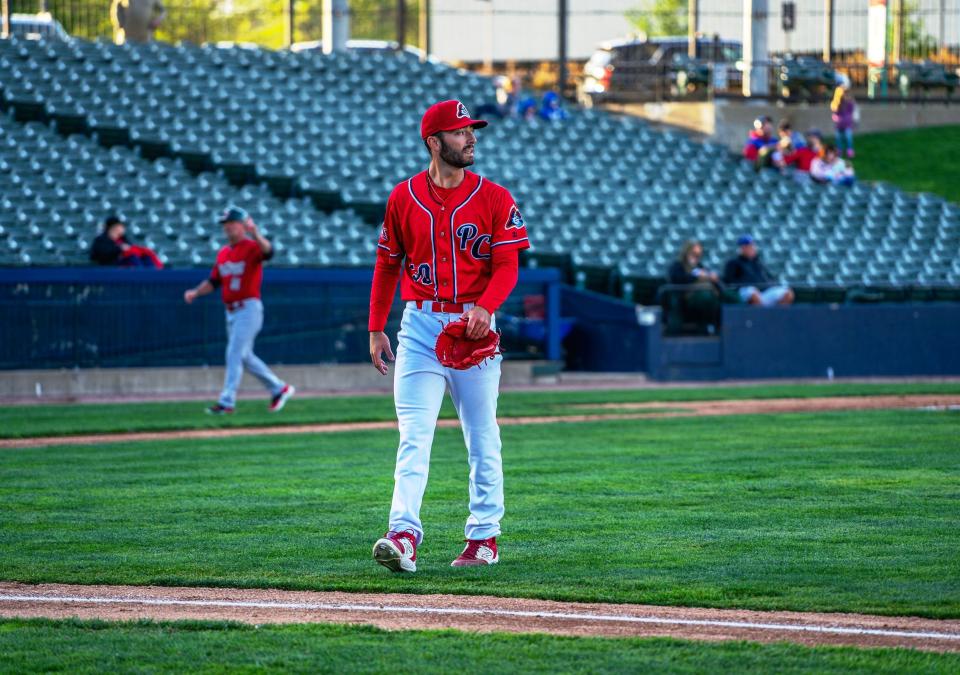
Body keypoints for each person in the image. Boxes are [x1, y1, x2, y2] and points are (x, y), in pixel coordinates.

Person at [368, 99, 530, 572]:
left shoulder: (496, 197)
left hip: (473, 328)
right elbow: (386, 264)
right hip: (419, 327)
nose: (471, 137)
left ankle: (483, 538)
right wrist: (377, 326)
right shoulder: (403, 197)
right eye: (460, 132)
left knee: (482, 436)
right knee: (413, 435)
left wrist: (486, 307)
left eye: (471, 131)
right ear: (434, 143)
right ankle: (403, 535)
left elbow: (507, 266)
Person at [183, 206, 295, 415]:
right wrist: (196, 292)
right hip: (231, 311)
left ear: (242, 226)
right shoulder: (224, 252)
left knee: (234, 353)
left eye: (232, 224)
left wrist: (255, 232)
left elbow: (268, 252)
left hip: (249, 308)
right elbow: (214, 281)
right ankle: (279, 388)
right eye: (226, 225)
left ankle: (227, 402)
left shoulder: (252, 246)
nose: (228, 228)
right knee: (244, 356)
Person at [665, 240, 721, 333]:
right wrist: (695, 277)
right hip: (683, 299)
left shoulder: (700, 266)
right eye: (693, 253)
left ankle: (712, 328)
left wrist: (712, 278)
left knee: (715, 298)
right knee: (705, 297)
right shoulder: (677, 265)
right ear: (686, 252)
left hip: (702, 304)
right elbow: (676, 280)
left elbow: (717, 283)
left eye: (698, 254)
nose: (696, 257)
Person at [722, 235, 794, 306]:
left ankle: (778, 316)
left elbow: (769, 277)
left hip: (764, 291)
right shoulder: (734, 262)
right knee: (753, 293)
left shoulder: (757, 262)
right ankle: (760, 316)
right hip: (746, 290)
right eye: (748, 246)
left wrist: (772, 285)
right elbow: (730, 281)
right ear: (742, 248)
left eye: (751, 246)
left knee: (788, 293)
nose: (751, 248)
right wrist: (748, 283)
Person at [89, 214, 163, 268]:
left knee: (146, 257)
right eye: (121, 226)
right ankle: (142, 276)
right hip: (111, 266)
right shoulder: (101, 240)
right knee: (132, 257)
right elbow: (97, 255)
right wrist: (119, 249)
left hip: (125, 266)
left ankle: (152, 276)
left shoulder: (124, 239)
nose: (123, 228)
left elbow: (130, 249)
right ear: (114, 227)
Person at [830, 73, 858, 158]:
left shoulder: (850, 104)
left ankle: (849, 149)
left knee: (848, 137)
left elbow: (852, 111)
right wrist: (835, 116)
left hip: (847, 124)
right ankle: (839, 150)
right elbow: (835, 110)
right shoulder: (839, 104)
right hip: (839, 125)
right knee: (838, 138)